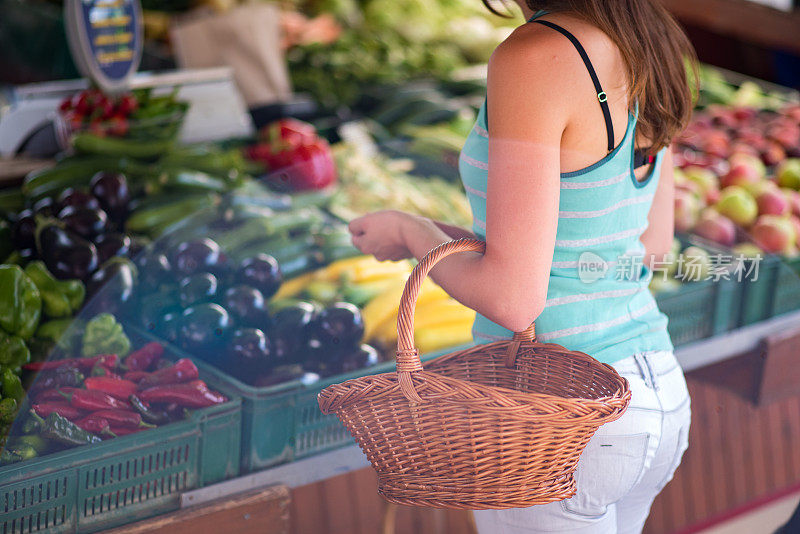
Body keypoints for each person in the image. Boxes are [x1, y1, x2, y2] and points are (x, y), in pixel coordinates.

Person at [348, 1, 696, 532]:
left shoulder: (534, 55)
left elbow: (513, 301)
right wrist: (460, 239)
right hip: (656, 393)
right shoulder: (649, 37)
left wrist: (411, 232)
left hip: (559, 421)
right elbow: (650, 245)